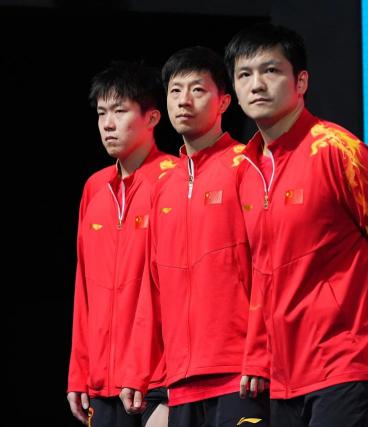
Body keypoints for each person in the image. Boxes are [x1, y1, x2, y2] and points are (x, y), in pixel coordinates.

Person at [225, 24, 368, 426]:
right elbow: (263, 272)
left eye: (270, 71)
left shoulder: (338, 150)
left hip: (350, 364)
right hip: (284, 378)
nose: (256, 84)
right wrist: (258, 357)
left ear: (301, 82)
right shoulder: (246, 171)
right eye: (244, 75)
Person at [119, 46, 269, 427]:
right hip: (180, 382)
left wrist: (260, 355)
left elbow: (267, 268)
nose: (184, 100)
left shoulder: (247, 166)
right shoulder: (162, 186)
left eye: (197, 90)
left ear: (224, 102)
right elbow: (152, 285)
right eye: (175, 90)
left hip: (240, 376)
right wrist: (139, 369)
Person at [67, 61, 174, 427]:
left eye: (120, 111)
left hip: (158, 377)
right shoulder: (94, 188)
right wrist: (79, 372)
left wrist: (146, 370)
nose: (108, 124)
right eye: (102, 113)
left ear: (152, 117)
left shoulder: (173, 180)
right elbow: (84, 288)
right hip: (102, 379)